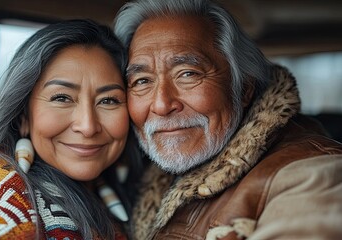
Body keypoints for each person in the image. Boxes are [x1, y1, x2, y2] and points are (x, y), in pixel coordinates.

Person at [114, 0, 342, 239]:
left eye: (188, 74)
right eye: (142, 81)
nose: (161, 105)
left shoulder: (312, 176)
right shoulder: (132, 180)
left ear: (243, 89)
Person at [0, 19, 141, 240]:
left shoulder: (126, 191)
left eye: (109, 100)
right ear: (23, 116)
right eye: (61, 98)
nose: (88, 126)